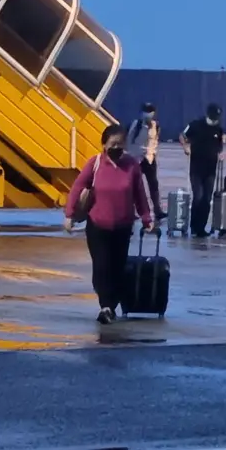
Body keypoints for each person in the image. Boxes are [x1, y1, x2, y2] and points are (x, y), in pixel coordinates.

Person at [64, 125, 154, 324]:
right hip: (97, 226)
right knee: (102, 266)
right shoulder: (94, 164)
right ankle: (105, 305)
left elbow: (140, 194)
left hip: (122, 226)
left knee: (117, 267)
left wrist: (147, 219)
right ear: (104, 145)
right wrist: (69, 214)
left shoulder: (131, 165)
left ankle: (111, 305)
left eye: (120, 145)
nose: (117, 148)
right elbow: (77, 187)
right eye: (113, 144)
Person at [181, 103, 226, 237]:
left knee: (207, 198)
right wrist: (186, 147)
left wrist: (221, 152)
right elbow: (183, 135)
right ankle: (194, 226)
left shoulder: (218, 129)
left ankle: (201, 227)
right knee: (198, 197)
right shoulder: (196, 125)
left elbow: (220, 145)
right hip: (196, 168)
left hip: (211, 169)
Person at [126, 102, 162, 219]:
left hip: (150, 158)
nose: (148, 114)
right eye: (146, 111)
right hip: (137, 159)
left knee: (153, 185)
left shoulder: (156, 125)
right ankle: (130, 211)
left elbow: (155, 139)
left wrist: (153, 152)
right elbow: (128, 140)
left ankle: (158, 210)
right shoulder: (135, 125)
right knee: (134, 185)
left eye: (150, 111)